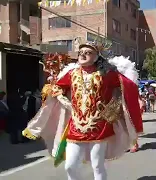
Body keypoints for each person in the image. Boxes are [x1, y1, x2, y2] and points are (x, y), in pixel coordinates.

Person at [22, 40, 143, 180]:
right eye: (81, 53)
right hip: (76, 126)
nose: (83, 55)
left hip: (100, 126)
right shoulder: (72, 73)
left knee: (97, 165)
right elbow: (57, 87)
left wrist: (115, 105)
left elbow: (126, 86)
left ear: (97, 56)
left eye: (88, 53)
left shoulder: (107, 74)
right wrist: (65, 101)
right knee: (70, 166)